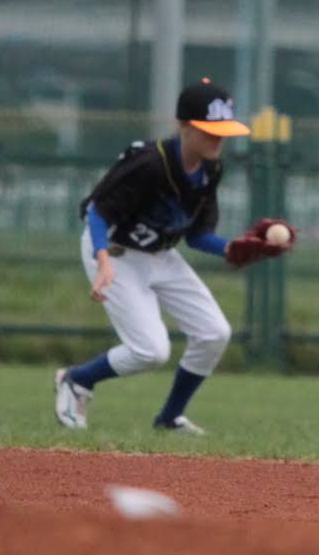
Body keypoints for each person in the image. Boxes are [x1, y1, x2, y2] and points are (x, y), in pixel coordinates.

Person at [52, 79, 292, 435]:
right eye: (210, 132)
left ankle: (169, 418)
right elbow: (98, 212)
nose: (218, 140)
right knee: (151, 350)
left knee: (214, 333)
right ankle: (77, 380)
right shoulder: (150, 162)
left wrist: (236, 248)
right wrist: (102, 259)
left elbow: (197, 236)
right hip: (116, 252)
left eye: (224, 132)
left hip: (160, 255)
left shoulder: (210, 169)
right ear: (184, 126)